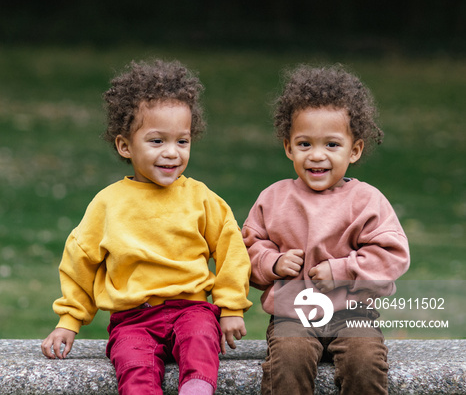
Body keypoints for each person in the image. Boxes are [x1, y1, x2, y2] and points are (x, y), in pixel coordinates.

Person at [42, 59, 251, 395]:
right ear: (125, 145)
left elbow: (231, 249)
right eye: (157, 141)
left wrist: (230, 307)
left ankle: (197, 389)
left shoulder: (200, 198)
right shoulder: (109, 204)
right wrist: (69, 321)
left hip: (191, 310)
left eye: (182, 141)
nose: (172, 153)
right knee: (132, 363)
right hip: (133, 320)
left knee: (201, 339)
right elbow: (80, 261)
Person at [242, 64, 410, 395]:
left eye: (332, 145)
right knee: (287, 363)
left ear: (355, 149)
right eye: (305, 144)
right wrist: (272, 263)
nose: (317, 155)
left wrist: (343, 270)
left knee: (365, 363)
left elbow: (391, 256)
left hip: (353, 312)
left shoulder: (366, 200)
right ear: (289, 147)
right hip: (293, 316)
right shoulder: (273, 199)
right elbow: (246, 251)